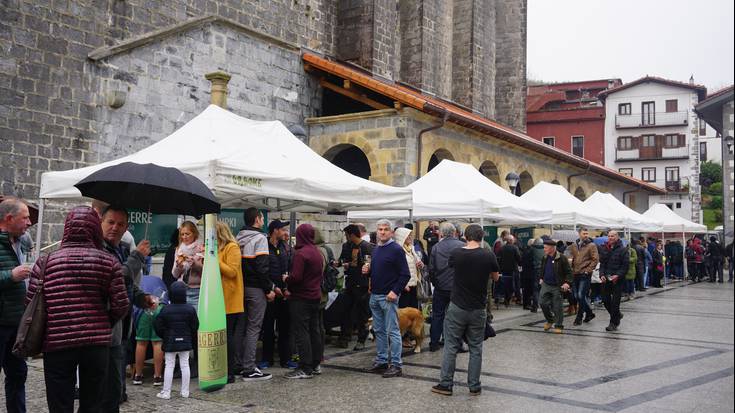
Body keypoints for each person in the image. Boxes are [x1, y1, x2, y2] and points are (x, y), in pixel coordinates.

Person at [27, 206, 129, 412]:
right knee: (93, 403)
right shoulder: (109, 262)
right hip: (96, 345)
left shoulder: (45, 262)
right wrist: (102, 322)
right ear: (96, 229)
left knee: (59, 402)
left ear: (66, 228)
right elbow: (121, 305)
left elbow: (30, 302)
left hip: (57, 343)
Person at [431, 224, 500, 397]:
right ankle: (474, 386)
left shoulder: (457, 253)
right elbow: (496, 277)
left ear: (465, 236)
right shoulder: (488, 254)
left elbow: (452, 268)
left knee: (451, 346)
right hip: (478, 307)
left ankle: (446, 384)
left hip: (457, 306)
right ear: (481, 236)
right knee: (476, 348)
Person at [99, 205, 155, 411]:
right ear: (100, 222)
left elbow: (128, 285)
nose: (115, 227)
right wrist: (138, 256)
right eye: (110, 222)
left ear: (126, 228)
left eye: (120, 224)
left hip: (122, 327)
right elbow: (117, 278)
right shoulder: (98, 249)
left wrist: (142, 298)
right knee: (103, 392)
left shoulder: (122, 249)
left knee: (115, 390)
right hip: (103, 330)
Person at [363, 219, 410, 378]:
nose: (382, 232)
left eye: (385, 229)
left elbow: (405, 274)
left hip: (388, 297)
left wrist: (395, 292)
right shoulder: (376, 249)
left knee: (393, 331)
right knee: (379, 331)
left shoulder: (396, 249)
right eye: (380, 229)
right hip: (375, 296)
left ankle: (396, 365)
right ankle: (382, 361)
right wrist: (367, 271)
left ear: (391, 232)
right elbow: (378, 271)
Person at [0, 198, 32, 413]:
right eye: (25, 218)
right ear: (9, 219)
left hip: (16, 322)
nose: (29, 223)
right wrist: (11, 275)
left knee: (18, 373)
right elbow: (10, 276)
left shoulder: (20, 242)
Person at [237, 208, 276, 381]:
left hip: (240, 287)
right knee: (254, 328)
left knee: (240, 328)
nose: (262, 220)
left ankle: (237, 364)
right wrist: (269, 289)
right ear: (257, 219)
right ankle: (249, 368)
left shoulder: (238, 238)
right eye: (261, 217)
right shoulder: (260, 238)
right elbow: (262, 268)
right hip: (255, 289)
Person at [282, 224, 324, 379]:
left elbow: (297, 277)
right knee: (314, 331)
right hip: (315, 297)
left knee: (302, 333)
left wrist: (287, 279)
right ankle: (315, 364)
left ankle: (305, 368)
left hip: (301, 298)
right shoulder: (316, 252)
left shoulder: (301, 254)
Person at [153, 281, 199, 399]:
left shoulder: (166, 309)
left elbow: (158, 325)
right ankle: (185, 392)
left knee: (169, 365)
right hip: (185, 341)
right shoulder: (190, 309)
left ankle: (166, 392)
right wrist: (189, 335)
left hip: (170, 342)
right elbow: (195, 326)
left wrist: (165, 336)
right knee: (185, 365)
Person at [215, 221, 245, 383]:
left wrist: (215, 259)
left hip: (231, 299)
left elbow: (232, 272)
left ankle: (230, 372)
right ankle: (223, 369)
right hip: (219, 297)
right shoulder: (219, 248)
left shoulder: (232, 247)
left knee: (228, 337)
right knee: (223, 336)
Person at [428, 222, 465, 352]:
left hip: (440, 287)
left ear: (442, 233)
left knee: (437, 315)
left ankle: (433, 343)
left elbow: (431, 269)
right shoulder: (462, 246)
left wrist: (435, 283)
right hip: (457, 288)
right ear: (454, 232)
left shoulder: (436, 247)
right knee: (457, 317)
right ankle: (458, 344)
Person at [261, 219, 293, 370]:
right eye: (282, 229)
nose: (285, 233)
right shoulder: (264, 246)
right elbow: (262, 270)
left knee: (284, 327)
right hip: (269, 293)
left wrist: (286, 288)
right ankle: (267, 359)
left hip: (283, 293)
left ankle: (285, 359)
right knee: (268, 327)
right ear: (275, 230)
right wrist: (272, 288)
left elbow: (288, 269)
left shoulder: (285, 247)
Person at [337, 224, 373, 350]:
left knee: (361, 313)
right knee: (346, 310)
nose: (346, 237)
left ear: (351, 235)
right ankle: (344, 337)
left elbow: (369, 265)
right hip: (350, 283)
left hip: (362, 284)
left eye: (346, 235)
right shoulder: (346, 246)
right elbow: (342, 260)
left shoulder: (367, 247)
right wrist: (341, 263)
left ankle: (361, 339)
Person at [538, 237, 572, 334]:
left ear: (552, 248)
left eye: (545, 247)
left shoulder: (562, 258)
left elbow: (569, 272)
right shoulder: (545, 257)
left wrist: (567, 283)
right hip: (546, 284)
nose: (544, 249)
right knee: (542, 303)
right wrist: (541, 277)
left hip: (558, 285)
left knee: (557, 306)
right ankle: (550, 320)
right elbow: (542, 268)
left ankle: (558, 325)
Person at [568, 227, 599, 326]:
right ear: (579, 234)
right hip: (575, 273)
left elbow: (595, 259)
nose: (586, 235)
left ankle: (579, 317)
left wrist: (587, 271)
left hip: (584, 274)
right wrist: (571, 263)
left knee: (581, 295)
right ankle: (589, 313)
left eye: (587, 233)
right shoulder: (574, 245)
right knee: (577, 296)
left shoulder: (591, 245)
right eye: (584, 233)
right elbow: (572, 257)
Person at [599, 230, 629, 332]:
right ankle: (617, 315)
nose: (610, 238)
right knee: (605, 300)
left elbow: (625, 266)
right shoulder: (605, 248)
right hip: (607, 278)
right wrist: (601, 274)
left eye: (612, 236)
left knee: (615, 303)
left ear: (617, 237)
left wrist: (618, 275)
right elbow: (602, 264)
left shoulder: (623, 249)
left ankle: (613, 323)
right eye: (609, 236)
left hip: (618, 280)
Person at [171, 221, 204, 307]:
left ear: (194, 234)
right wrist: (179, 266)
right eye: (182, 234)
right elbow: (174, 275)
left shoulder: (201, 248)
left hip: (197, 290)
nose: (184, 237)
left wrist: (194, 264)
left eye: (187, 234)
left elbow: (206, 271)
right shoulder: (179, 249)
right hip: (182, 289)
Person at [394, 227, 423, 310]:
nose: (410, 237)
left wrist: (420, 264)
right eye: (408, 235)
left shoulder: (411, 248)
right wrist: (403, 284)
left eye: (411, 235)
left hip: (414, 283)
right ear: (401, 237)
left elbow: (417, 262)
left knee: (413, 309)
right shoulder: (397, 250)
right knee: (404, 311)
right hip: (404, 286)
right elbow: (396, 269)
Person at [498, 235, 521, 307]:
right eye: (513, 239)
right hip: (513, 269)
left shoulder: (502, 248)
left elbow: (499, 259)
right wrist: (520, 264)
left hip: (504, 269)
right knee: (516, 284)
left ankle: (507, 300)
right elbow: (519, 258)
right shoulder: (515, 248)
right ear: (511, 240)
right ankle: (518, 299)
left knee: (506, 285)